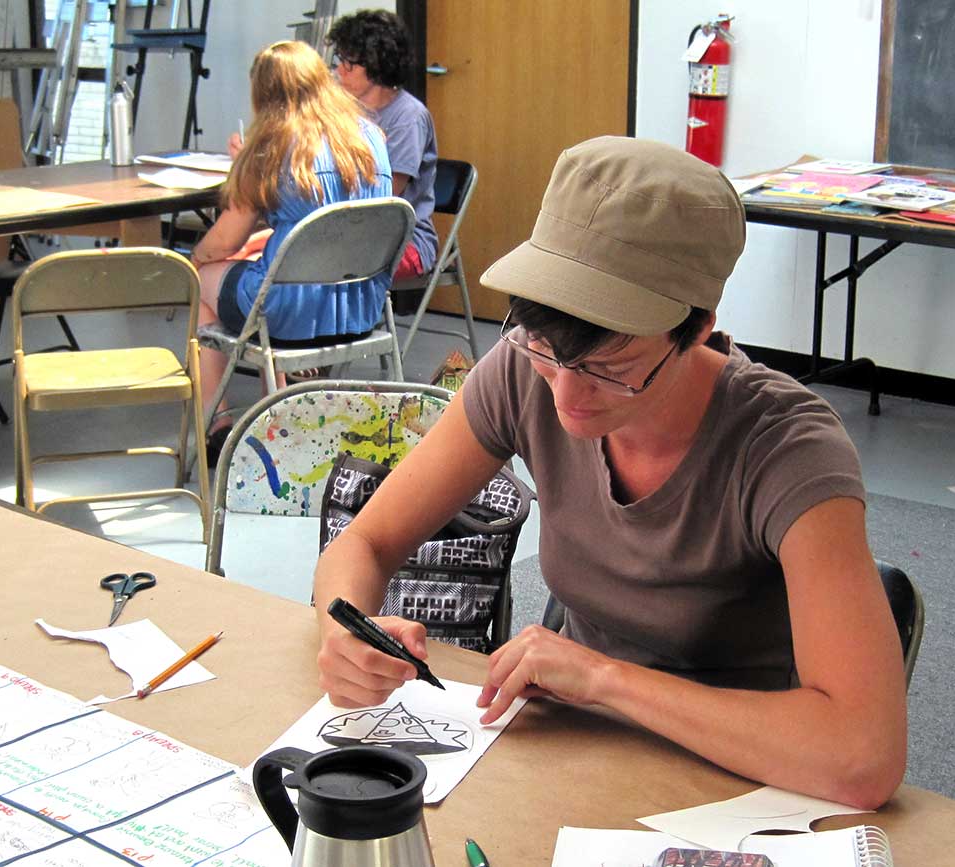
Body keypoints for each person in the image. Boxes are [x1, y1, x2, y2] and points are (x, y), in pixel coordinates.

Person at [312, 137, 908, 809]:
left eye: (610, 370)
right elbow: (364, 542)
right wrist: (344, 630)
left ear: (698, 327)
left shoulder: (788, 449)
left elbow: (862, 754)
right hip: (577, 757)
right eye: (544, 348)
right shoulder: (522, 370)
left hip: (738, 789)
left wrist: (602, 677)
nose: (565, 396)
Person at [189, 40, 394, 456]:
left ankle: (218, 424)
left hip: (289, 317)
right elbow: (326, 226)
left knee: (200, 282)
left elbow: (223, 241)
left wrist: (197, 258)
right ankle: (280, 415)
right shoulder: (372, 138)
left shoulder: (272, 149)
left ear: (263, 95)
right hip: (362, 309)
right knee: (264, 268)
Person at [327, 10, 438, 284]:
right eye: (338, 60)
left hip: (401, 241)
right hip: (344, 230)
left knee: (315, 262)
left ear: (376, 65)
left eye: (348, 64)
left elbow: (382, 197)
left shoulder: (408, 118)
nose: (338, 71)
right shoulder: (345, 109)